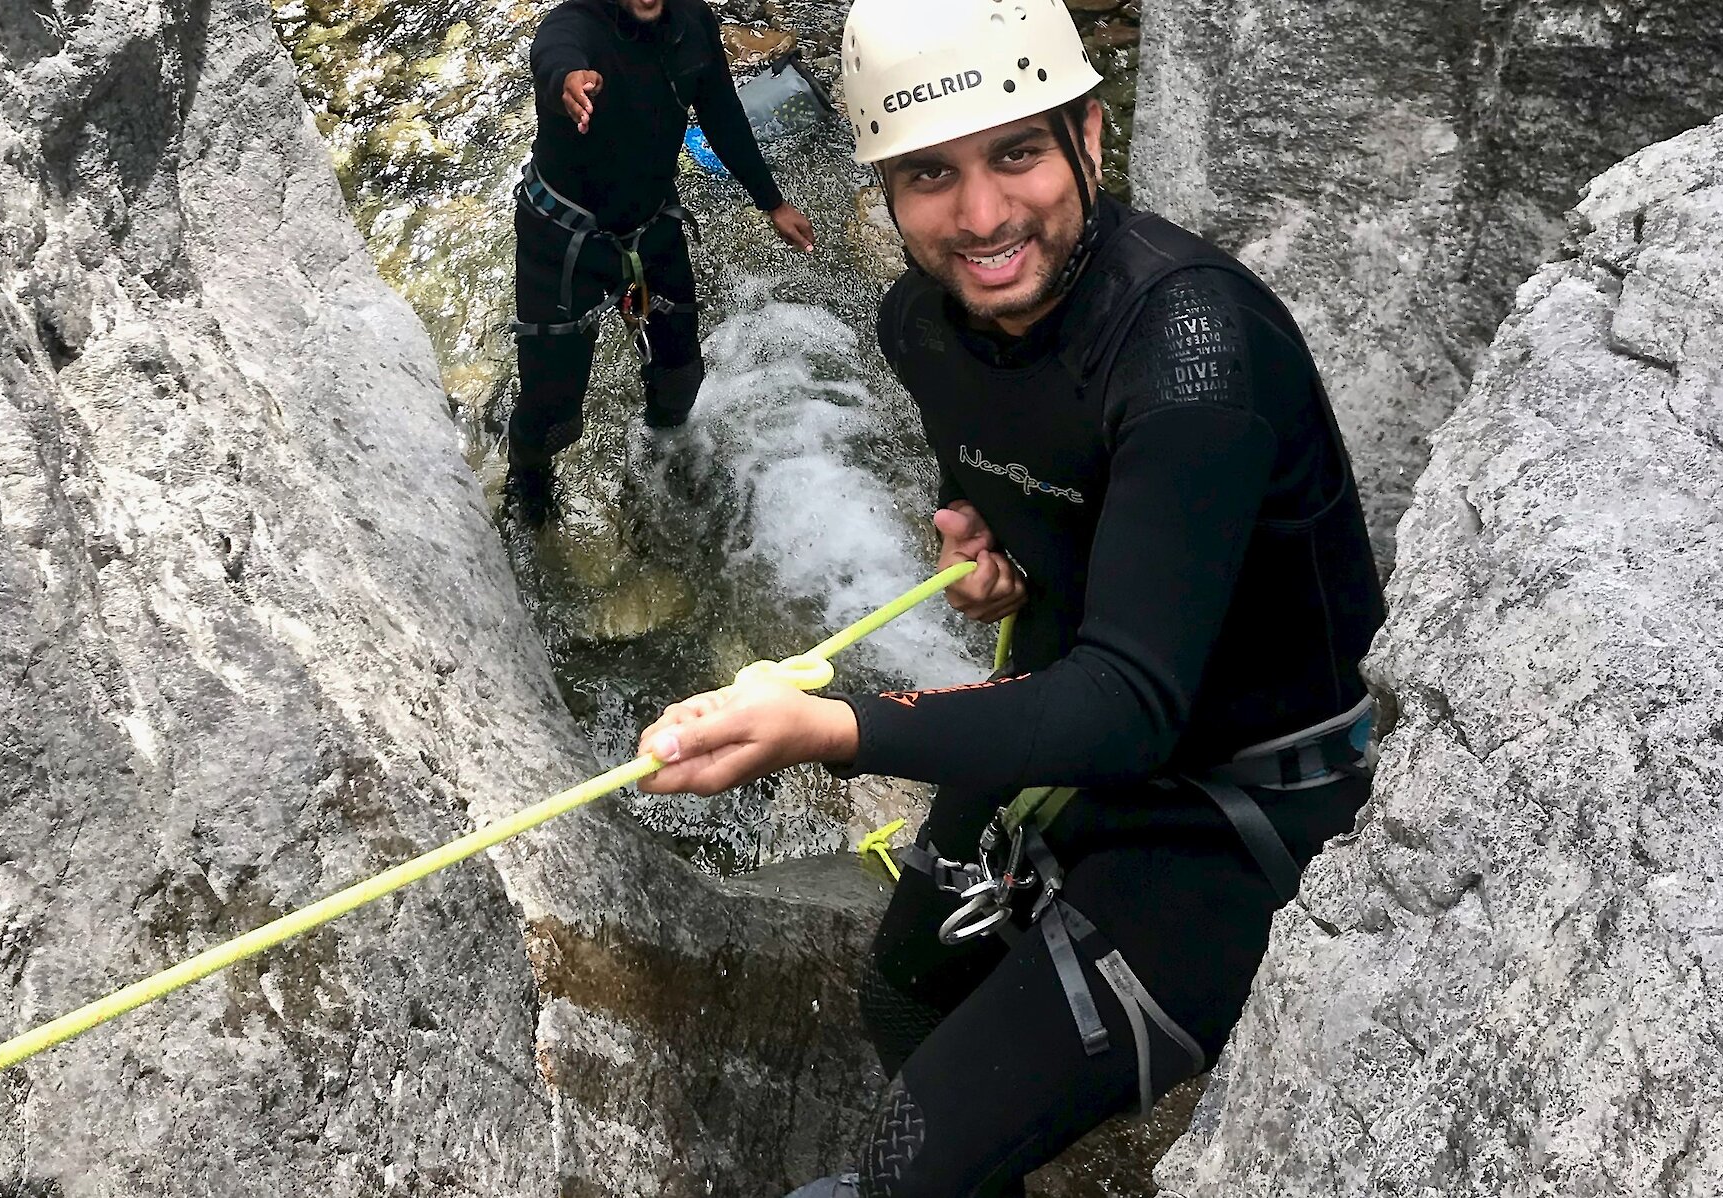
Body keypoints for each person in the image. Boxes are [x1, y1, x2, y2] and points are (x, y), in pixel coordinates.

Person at [633, 0, 1388, 1191]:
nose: (980, 217)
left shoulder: (1192, 349)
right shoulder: (921, 329)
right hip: (1070, 718)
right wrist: (1001, 544)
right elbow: (1019, 478)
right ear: (881, 185)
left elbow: (1134, 701)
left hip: (1235, 810)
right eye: (929, 173)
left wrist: (835, 730)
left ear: (1090, 136)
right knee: (896, 994)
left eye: (1016, 153)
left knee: (896, 1169)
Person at [505, 0, 817, 525]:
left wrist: (772, 202)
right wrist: (568, 84)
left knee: (682, 373)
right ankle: (529, 477)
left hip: (652, 226)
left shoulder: (692, 23)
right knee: (554, 405)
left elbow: (721, 113)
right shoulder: (573, 25)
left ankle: (665, 453)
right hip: (563, 241)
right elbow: (556, 57)